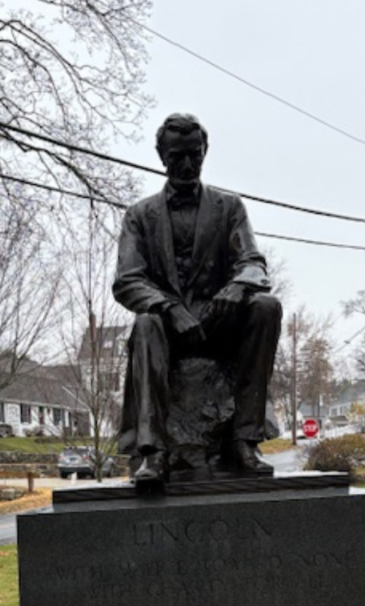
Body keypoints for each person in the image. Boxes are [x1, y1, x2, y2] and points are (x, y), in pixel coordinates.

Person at [113, 112, 282, 484]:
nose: (187, 165)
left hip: (219, 325)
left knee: (266, 307)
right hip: (168, 331)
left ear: (205, 152)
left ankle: (244, 439)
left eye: (195, 154)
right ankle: (154, 453)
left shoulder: (229, 208)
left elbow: (253, 262)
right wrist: (169, 308)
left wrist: (238, 288)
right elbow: (127, 280)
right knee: (144, 324)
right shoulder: (140, 216)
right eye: (177, 157)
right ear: (162, 157)